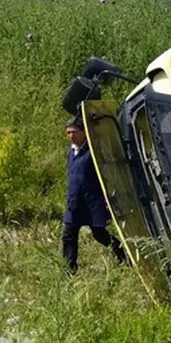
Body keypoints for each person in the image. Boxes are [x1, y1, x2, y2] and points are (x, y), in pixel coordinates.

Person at [62, 115, 128, 273]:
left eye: (75, 132)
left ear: (84, 132)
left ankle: (124, 256)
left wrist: (108, 198)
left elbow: (105, 175)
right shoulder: (71, 153)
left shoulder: (92, 152)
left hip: (92, 203)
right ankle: (69, 268)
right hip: (74, 202)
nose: (71, 136)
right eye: (68, 133)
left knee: (100, 234)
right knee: (68, 235)